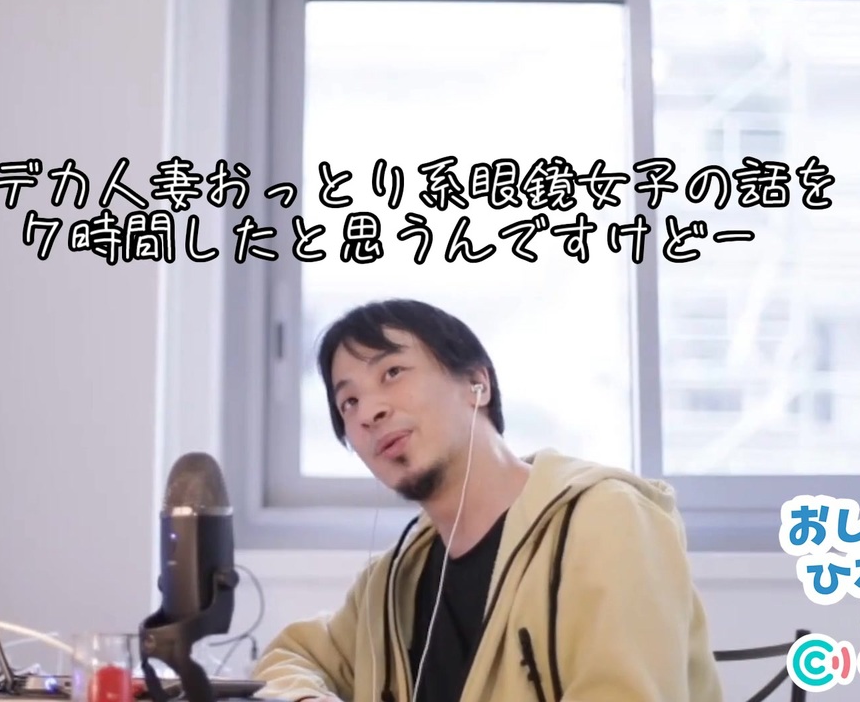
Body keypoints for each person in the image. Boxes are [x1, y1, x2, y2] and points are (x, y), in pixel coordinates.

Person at [252, 299, 724, 702]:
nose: (369, 412)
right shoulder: (394, 579)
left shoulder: (606, 521)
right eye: (348, 403)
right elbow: (292, 656)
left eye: (392, 372)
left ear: (477, 383)